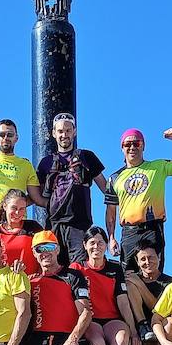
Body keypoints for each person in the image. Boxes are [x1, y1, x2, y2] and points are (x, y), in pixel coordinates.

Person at [104, 127, 172, 269]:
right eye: (127, 144)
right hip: (129, 232)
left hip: (152, 228)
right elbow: (111, 211)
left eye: (137, 143)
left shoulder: (157, 166)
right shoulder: (114, 178)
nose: (132, 147)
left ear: (143, 146)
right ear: (122, 148)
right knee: (128, 276)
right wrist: (111, 238)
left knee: (154, 275)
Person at [22, 230, 92, 345]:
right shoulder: (29, 280)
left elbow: (85, 312)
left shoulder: (73, 276)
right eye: (39, 248)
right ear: (34, 254)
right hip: (38, 339)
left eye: (49, 247)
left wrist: (73, 338)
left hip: (67, 336)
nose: (45, 252)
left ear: (58, 249)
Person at [36, 113, 109, 263]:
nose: (64, 135)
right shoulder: (46, 163)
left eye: (68, 131)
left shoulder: (86, 156)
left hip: (79, 225)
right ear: (54, 133)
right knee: (55, 268)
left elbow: (106, 187)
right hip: (53, 226)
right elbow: (36, 194)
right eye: (61, 131)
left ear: (74, 132)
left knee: (80, 268)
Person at [71, 226, 137, 345]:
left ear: (106, 245)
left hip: (112, 319)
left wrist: (133, 330)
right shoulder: (76, 268)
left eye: (101, 243)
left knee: (121, 337)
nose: (96, 247)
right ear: (85, 245)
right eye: (92, 242)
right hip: (90, 320)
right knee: (97, 343)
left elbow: (123, 301)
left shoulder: (115, 268)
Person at [125, 244, 172, 345]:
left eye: (151, 257)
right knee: (129, 285)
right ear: (137, 262)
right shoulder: (132, 279)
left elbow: (160, 310)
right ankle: (142, 325)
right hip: (137, 324)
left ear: (159, 257)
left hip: (161, 323)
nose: (147, 262)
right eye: (143, 259)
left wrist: (140, 284)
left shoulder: (170, 282)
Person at [0, 189, 43, 274]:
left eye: (22, 209)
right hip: (5, 285)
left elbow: (46, 253)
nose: (17, 212)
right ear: (5, 206)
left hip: (33, 284)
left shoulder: (34, 228)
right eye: (14, 208)